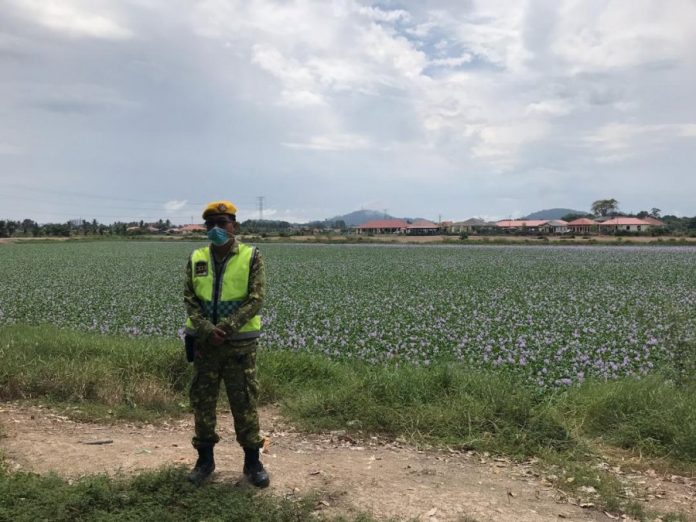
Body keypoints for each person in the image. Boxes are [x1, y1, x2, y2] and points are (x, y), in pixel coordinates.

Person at [183, 200, 269, 488]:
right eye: (211, 225)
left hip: (239, 348)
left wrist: (227, 327)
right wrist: (207, 329)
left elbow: (255, 299)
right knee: (203, 405)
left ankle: (252, 463)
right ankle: (204, 462)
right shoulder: (196, 257)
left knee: (244, 403)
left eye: (223, 223)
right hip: (206, 345)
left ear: (234, 226)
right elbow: (190, 299)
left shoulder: (251, 256)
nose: (217, 229)